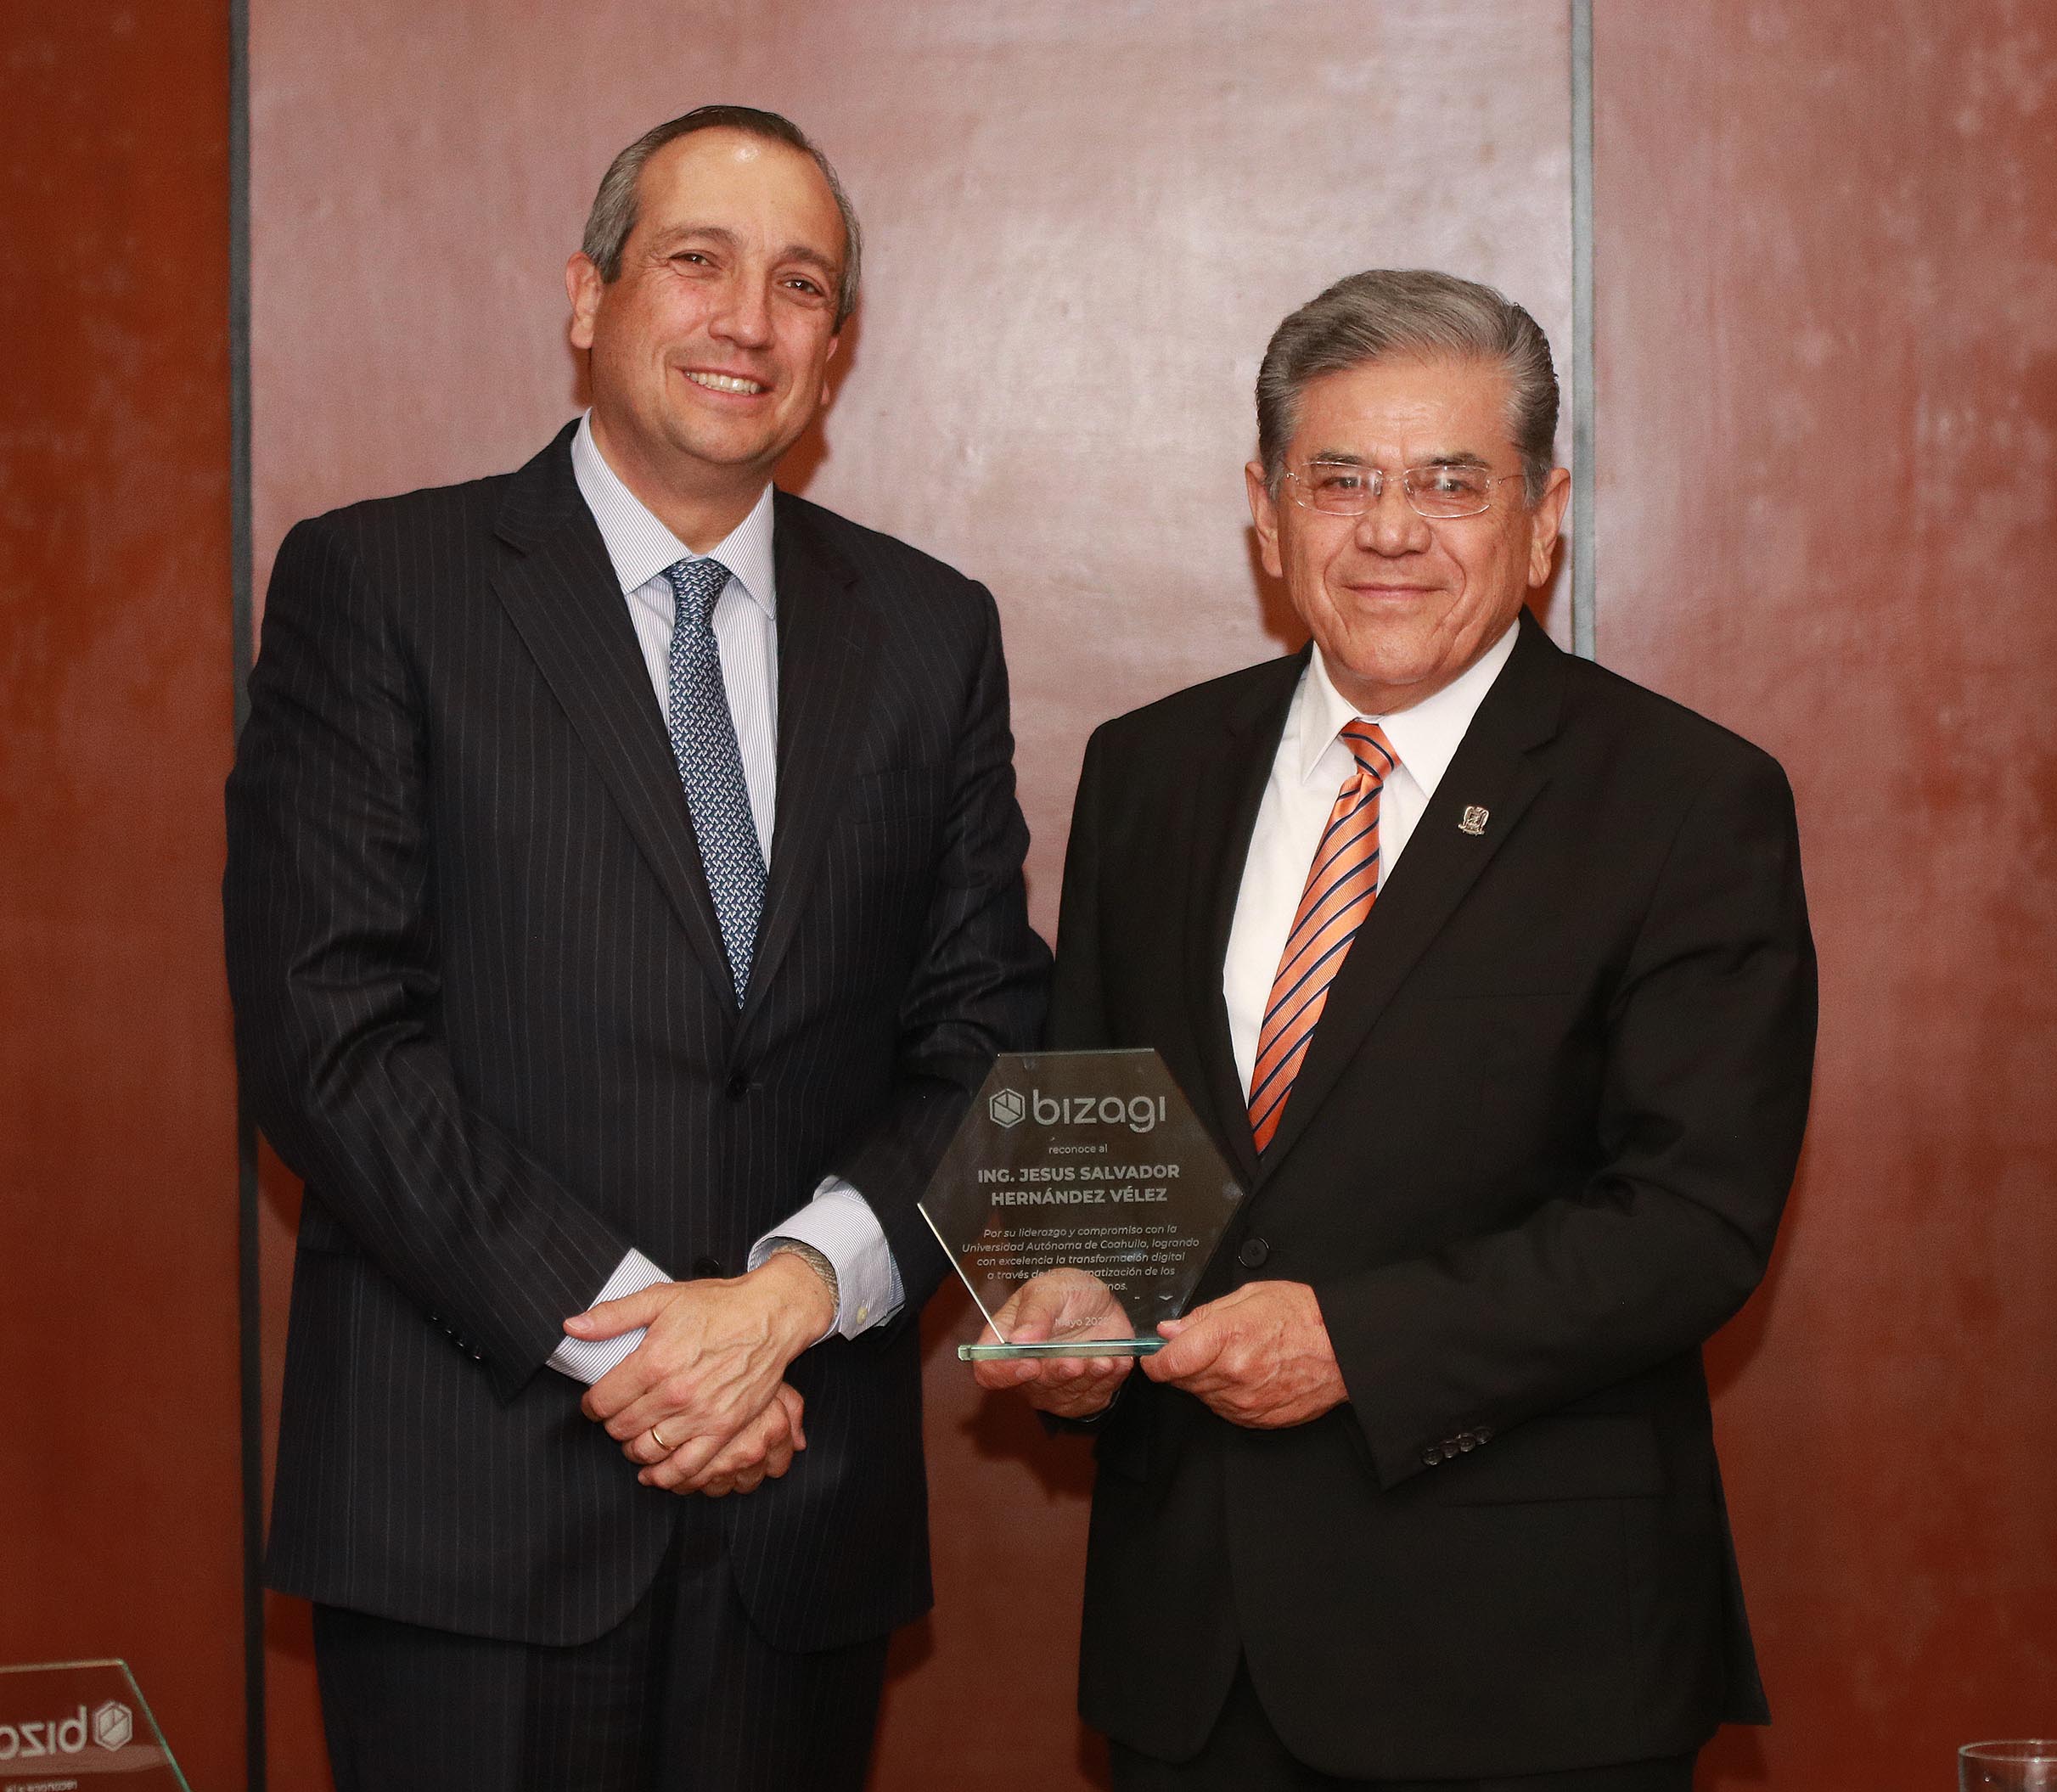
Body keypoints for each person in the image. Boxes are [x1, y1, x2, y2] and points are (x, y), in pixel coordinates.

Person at [225, 105, 1048, 1792]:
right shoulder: (382, 583)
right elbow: (329, 1035)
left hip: (797, 1514)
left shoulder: (930, 631)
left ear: (837, 343)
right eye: (698, 261)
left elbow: (987, 1042)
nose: (749, 318)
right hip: (471, 1516)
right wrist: (653, 1342)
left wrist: (793, 1298)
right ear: (589, 295)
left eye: (801, 284)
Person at [976, 270, 1816, 1790]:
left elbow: (1692, 1223)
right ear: (1267, 509)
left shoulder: (1686, 800)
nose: (1391, 532)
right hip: (1194, 1655)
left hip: (1522, 1667)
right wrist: (1081, 1310)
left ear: (1545, 517)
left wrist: (1353, 1344)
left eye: (1452, 483)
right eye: (1342, 479)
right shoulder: (1149, 770)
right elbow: (1099, 1143)